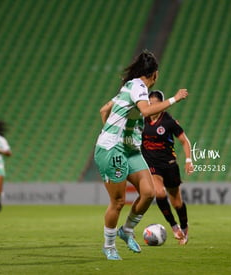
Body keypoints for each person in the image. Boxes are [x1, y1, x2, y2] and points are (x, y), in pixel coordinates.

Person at [94, 50, 188, 260]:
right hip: (113, 149)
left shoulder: (130, 88)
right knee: (118, 202)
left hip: (130, 150)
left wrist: (115, 129)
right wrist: (175, 98)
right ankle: (109, 246)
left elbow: (103, 110)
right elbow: (146, 112)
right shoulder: (138, 87)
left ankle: (126, 231)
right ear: (155, 74)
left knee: (148, 192)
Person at [141, 90, 193, 245]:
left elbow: (185, 141)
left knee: (176, 201)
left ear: (162, 106)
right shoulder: (141, 120)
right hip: (152, 165)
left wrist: (189, 160)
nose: (152, 107)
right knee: (159, 193)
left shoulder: (168, 121)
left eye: (155, 104)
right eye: (149, 104)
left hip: (169, 164)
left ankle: (184, 227)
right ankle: (174, 226)